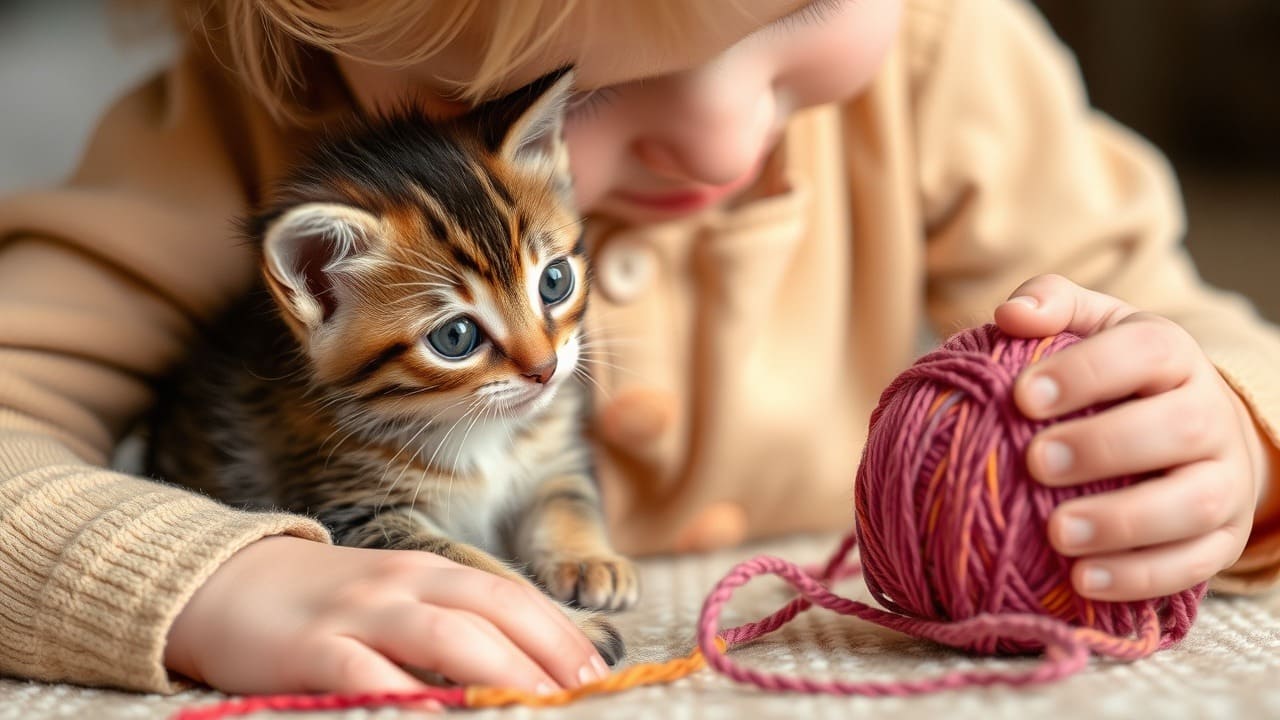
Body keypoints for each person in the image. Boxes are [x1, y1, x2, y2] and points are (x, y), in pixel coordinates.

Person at [2, 0, 1278, 699]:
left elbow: (1179, 320)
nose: (721, 142)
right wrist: (208, 580)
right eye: (586, 98)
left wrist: (1227, 429)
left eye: (808, 6)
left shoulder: (948, 57)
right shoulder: (253, 116)